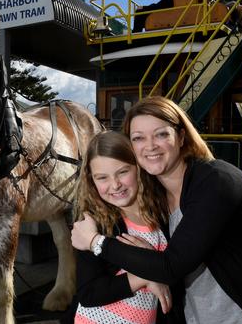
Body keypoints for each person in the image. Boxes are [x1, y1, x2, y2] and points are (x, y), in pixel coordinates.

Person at [72, 96, 242, 323]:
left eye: (160, 134)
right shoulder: (156, 196)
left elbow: (170, 266)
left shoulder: (215, 181)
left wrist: (96, 242)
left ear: (181, 137)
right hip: (203, 314)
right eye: (138, 138)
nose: (150, 146)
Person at [70, 131, 175, 324]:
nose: (115, 185)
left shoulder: (161, 212)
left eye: (123, 172)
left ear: (138, 168)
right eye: (102, 178)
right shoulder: (97, 224)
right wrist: (145, 276)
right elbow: (89, 293)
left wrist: (153, 266)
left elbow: (175, 265)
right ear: (91, 180)